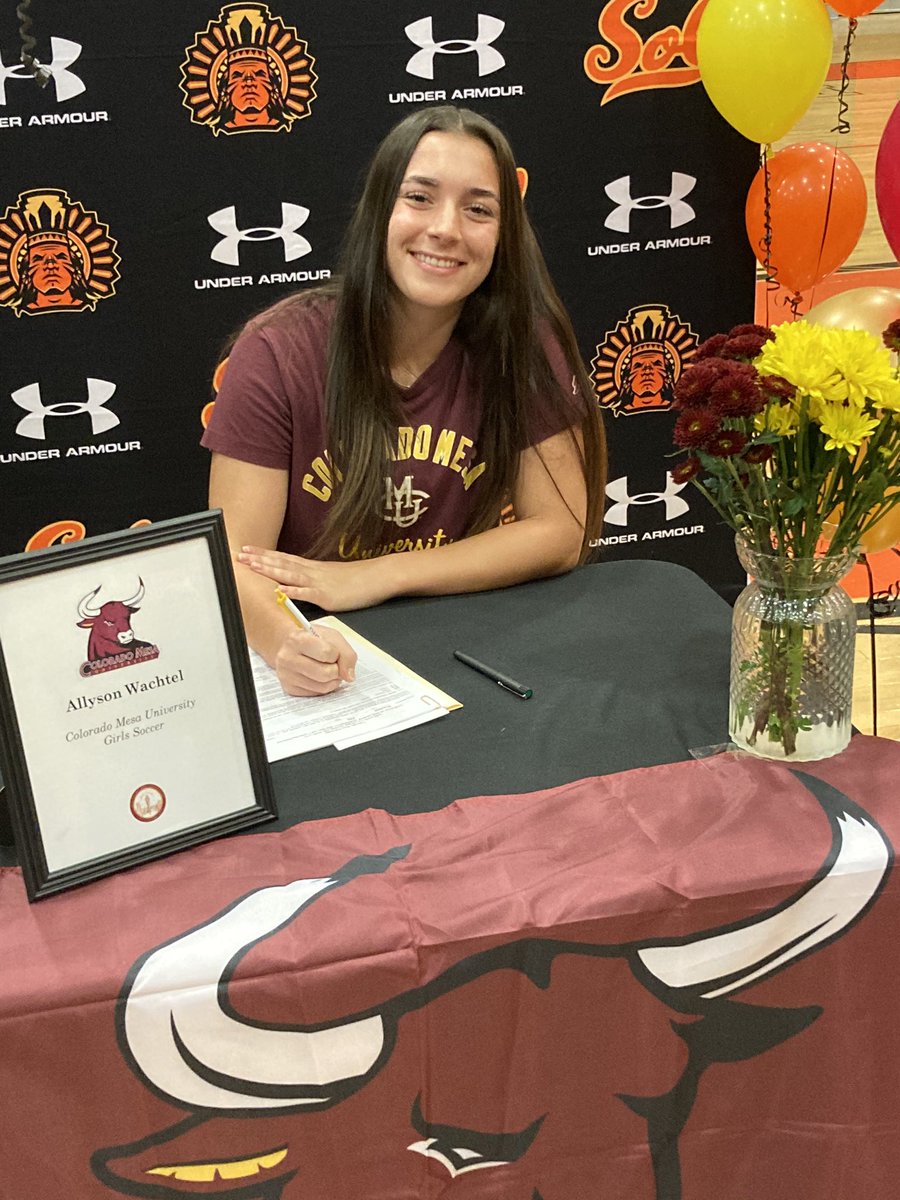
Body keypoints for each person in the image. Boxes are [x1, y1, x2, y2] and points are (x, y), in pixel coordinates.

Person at [203, 105, 606, 697]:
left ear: (505, 234)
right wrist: (287, 642)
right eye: (419, 197)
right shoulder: (277, 350)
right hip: (316, 639)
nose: (446, 228)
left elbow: (560, 531)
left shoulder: (526, 344)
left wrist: (376, 576)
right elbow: (240, 561)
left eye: (478, 209)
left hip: (460, 638)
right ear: (378, 211)